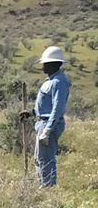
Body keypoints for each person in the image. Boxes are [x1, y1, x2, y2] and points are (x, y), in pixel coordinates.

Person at [33, 45, 70, 188]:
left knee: (46, 159)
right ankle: (43, 186)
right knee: (40, 158)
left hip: (49, 124)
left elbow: (57, 108)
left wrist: (47, 131)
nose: (43, 66)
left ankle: (48, 190)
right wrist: (32, 112)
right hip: (43, 122)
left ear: (55, 64)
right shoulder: (51, 80)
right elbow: (47, 105)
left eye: (46, 63)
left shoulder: (59, 82)